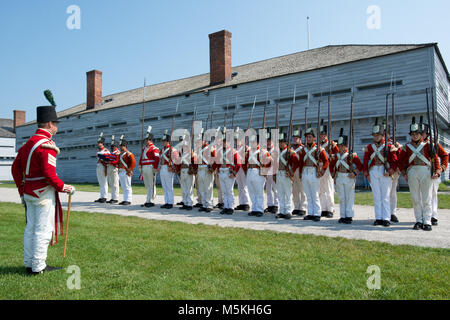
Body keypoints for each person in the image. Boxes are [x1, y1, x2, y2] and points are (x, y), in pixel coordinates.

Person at [11, 104, 75, 275]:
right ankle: (38, 266)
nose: (57, 127)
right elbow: (49, 174)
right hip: (42, 194)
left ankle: (28, 262)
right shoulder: (46, 145)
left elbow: (15, 169)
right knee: (43, 229)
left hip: (29, 192)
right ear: (49, 124)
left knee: (30, 228)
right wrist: (65, 187)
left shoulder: (28, 144)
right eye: (55, 123)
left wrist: (21, 189)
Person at [398, 117, 440, 231]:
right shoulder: (406, 147)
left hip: (425, 171)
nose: (415, 136)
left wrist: (437, 171)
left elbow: (435, 159)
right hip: (412, 172)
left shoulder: (428, 145)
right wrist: (404, 173)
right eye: (413, 134)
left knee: (427, 198)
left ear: (421, 134)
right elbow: (400, 162)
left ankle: (427, 220)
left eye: (417, 134)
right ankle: (418, 220)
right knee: (415, 198)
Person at [363, 119, 398, 227]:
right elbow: (365, 162)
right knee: (376, 196)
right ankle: (378, 217)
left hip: (385, 172)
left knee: (385, 196)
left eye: (378, 135)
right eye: (374, 135)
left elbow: (395, 161)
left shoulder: (388, 147)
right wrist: (367, 174)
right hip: (374, 171)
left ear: (383, 136)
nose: (376, 137)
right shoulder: (369, 147)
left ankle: (386, 218)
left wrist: (390, 171)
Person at [329, 129, 363, 224]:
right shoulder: (335, 156)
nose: (340, 148)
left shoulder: (351, 156)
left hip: (348, 177)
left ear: (346, 146)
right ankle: (342, 215)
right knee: (341, 197)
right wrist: (333, 176)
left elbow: (360, 165)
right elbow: (331, 166)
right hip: (339, 177)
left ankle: (349, 215)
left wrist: (355, 173)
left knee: (349, 197)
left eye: (342, 146)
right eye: (339, 146)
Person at [298, 128, 329, 221]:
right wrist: (300, 173)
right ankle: (310, 213)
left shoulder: (318, 149)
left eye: (310, 137)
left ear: (314, 138)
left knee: (315, 194)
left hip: (314, 172)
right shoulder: (303, 149)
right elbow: (300, 162)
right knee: (308, 194)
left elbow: (326, 161)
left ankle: (317, 213)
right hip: (305, 172)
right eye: (307, 137)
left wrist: (322, 171)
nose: (308, 139)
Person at [421, 121, 448, 226]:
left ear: (427, 134)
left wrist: (441, 168)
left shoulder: (434, 144)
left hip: (433, 172)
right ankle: (424, 215)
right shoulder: (416, 144)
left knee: (433, 194)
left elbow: (445, 155)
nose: (420, 135)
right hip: (422, 173)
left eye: (422, 133)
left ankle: (434, 215)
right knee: (422, 195)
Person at [214, 129, 241, 215]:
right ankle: (226, 206)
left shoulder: (233, 151)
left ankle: (231, 207)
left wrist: (234, 173)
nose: (224, 143)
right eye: (223, 141)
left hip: (229, 172)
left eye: (225, 142)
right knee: (224, 191)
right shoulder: (220, 151)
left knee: (229, 191)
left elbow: (238, 163)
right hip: (222, 172)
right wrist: (218, 171)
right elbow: (217, 162)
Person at [246, 133, 272, 217]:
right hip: (250, 171)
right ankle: (254, 208)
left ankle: (259, 209)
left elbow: (270, 161)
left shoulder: (262, 151)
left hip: (258, 171)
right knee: (251, 191)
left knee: (258, 191)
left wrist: (264, 170)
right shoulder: (249, 151)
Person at [275, 132, 298, 220]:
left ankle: (288, 211)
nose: (280, 144)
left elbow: (295, 163)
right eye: (279, 142)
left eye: (282, 142)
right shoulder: (276, 152)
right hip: (279, 174)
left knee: (288, 193)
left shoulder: (290, 152)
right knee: (280, 194)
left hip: (286, 174)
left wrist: (291, 172)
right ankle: (282, 211)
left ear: (285, 143)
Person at [318, 121, 339, 218]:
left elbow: (338, 155)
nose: (322, 136)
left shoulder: (331, 144)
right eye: (320, 135)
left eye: (323, 134)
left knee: (329, 188)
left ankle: (330, 208)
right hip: (320, 167)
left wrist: (332, 153)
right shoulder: (318, 145)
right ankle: (323, 208)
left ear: (326, 135)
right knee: (321, 189)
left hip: (328, 167)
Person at [175, 135, 197, 211]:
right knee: (184, 188)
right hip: (182, 171)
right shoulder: (180, 153)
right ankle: (185, 202)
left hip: (188, 171)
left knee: (189, 188)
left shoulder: (191, 152)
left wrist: (193, 170)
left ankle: (190, 203)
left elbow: (195, 161)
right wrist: (178, 171)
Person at [139, 128, 159, 208]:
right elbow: (141, 158)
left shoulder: (154, 148)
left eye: (147, 140)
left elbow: (156, 159)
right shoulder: (144, 149)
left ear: (150, 140)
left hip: (150, 167)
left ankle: (151, 200)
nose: (145, 141)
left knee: (151, 184)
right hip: (144, 167)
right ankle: (147, 199)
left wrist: (155, 167)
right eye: (145, 140)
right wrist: (140, 165)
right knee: (147, 184)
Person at [291, 128, 307, 216]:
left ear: (300, 139)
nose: (295, 139)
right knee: (294, 190)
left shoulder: (303, 148)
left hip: (300, 170)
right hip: (292, 171)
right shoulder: (291, 148)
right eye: (293, 138)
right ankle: (296, 207)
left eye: (296, 138)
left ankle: (303, 207)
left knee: (302, 190)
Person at [234, 127, 250, 212]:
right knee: (239, 186)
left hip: (243, 169)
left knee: (244, 186)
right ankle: (241, 203)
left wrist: (247, 151)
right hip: (237, 169)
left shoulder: (246, 148)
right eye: (236, 140)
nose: (237, 141)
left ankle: (246, 203)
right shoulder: (235, 149)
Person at [159, 130, 177, 209]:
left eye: (164, 141)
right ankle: (166, 201)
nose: (163, 142)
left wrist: (172, 167)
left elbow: (176, 160)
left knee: (169, 186)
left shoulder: (172, 149)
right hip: (162, 168)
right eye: (163, 141)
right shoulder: (162, 150)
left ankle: (170, 202)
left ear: (168, 142)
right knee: (164, 186)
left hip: (168, 168)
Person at [118, 136, 136, 205]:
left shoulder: (129, 154)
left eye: (122, 146)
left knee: (128, 186)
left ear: (125, 146)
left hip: (126, 172)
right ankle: (125, 199)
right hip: (121, 171)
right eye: (120, 146)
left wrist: (130, 169)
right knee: (123, 186)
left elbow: (133, 162)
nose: (120, 147)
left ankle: (128, 200)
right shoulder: (120, 154)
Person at [264, 132, 279, 214]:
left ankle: (276, 205)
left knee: (275, 189)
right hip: (267, 171)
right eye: (267, 141)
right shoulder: (265, 150)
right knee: (268, 189)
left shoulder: (276, 150)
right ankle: (270, 205)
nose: (268, 142)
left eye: (270, 141)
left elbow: (276, 162)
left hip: (273, 171)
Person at [95, 132, 109, 203]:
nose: (98, 144)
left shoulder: (105, 151)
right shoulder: (99, 151)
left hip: (103, 167)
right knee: (100, 182)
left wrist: (106, 170)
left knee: (104, 182)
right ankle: (101, 196)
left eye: (100, 142)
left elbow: (107, 161)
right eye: (98, 142)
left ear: (102, 143)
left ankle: (104, 197)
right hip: (99, 166)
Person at [106, 136, 120, 204]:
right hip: (109, 167)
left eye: (113, 146)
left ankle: (116, 198)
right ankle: (112, 197)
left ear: (115, 146)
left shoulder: (117, 152)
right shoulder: (111, 152)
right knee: (111, 183)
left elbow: (117, 161)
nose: (111, 147)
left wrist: (110, 162)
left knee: (115, 184)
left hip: (114, 168)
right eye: (111, 146)